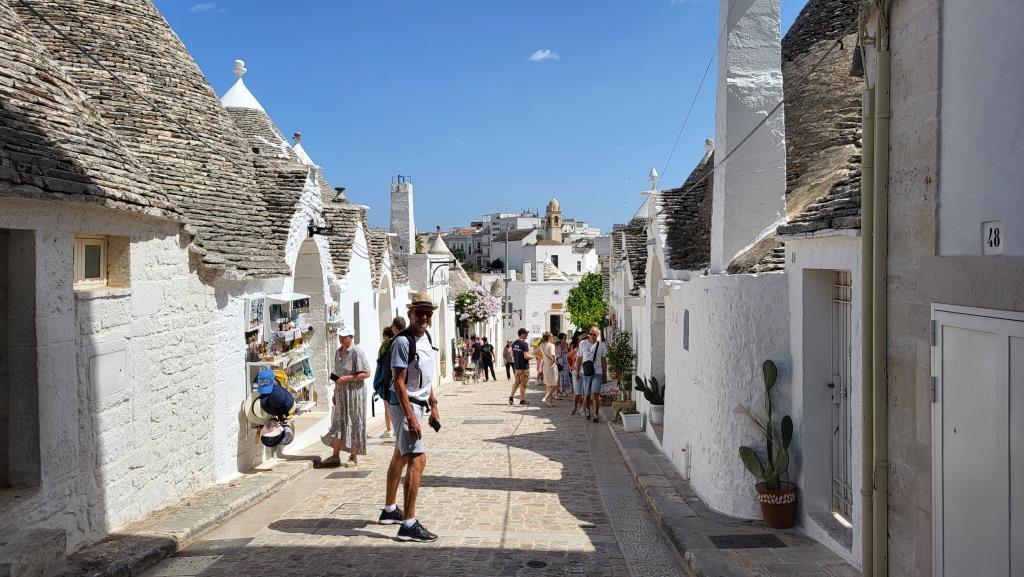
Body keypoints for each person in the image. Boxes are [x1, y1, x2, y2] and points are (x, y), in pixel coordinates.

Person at [379, 291, 440, 542]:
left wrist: (433, 404)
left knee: (400, 455)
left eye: (428, 313)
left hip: (418, 404)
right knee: (418, 459)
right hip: (405, 406)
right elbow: (399, 383)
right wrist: (411, 418)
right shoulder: (403, 342)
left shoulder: (426, 337)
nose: (424, 317)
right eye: (420, 313)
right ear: (410, 313)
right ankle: (409, 524)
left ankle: (389, 510)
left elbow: (425, 375)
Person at [321, 325, 370, 467]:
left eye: (344, 337)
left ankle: (353, 457)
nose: (341, 339)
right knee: (338, 422)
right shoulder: (337, 352)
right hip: (341, 393)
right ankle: (335, 456)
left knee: (354, 422)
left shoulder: (356, 352)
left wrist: (347, 378)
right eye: (340, 336)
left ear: (351, 337)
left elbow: (366, 373)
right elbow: (336, 374)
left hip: (355, 394)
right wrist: (335, 392)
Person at [575, 326, 608, 423]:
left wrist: (605, 375)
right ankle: (588, 411)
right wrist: (577, 372)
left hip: (597, 372)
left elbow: (603, 361)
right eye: (591, 334)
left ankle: (596, 414)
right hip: (586, 372)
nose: (592, 336)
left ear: (598, 335)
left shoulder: (601, 345)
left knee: (595, 393)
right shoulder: (583, 343)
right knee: (587, 394)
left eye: (594, 334)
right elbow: (579, 358)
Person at [508, 328, 533, 405]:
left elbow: (512, 354)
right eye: (526, 333)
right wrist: (532, 357)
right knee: (523, 384)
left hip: (516, 367)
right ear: (522, 334)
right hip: (524, 367)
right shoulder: (524, 344)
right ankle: (522, 400)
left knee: (516, 382)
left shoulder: (514, 343)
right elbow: (526, 356)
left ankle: (511, 396)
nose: (527, 335)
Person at [540, 332, 559, 407]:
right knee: (554, 385)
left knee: (548, 385)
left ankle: (550, 402)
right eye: (551, 337)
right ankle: (545, 398)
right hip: (551, 366)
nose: (552, 338)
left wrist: (543, 358)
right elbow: (553, 356)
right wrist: (553, 362)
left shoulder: (541, 345)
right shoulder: (551, 345)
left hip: (545, 366)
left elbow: (534, 352)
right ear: (549, 338)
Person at [557, 332, 572, 401]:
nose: (565, 339)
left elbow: (568, 352)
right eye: (564, 338)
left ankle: (563, 390)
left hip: (566, 362)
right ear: (560, 338)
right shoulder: (558, 345)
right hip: (560, 362)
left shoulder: (566, 344)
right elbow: (558, 355)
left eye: (566, 338)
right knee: (561, 377)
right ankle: (560, 391)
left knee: (565, 376)